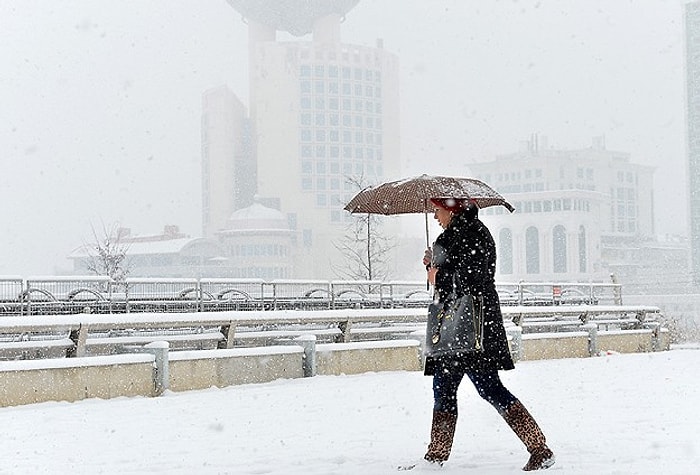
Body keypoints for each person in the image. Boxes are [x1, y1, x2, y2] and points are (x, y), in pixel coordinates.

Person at [409, 197, 555, 471]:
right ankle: (435, 457)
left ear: (451, 210)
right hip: (453, 329)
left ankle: (539, 447)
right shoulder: (450, 237)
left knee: (488, 388)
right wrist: (432, 265)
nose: (435, 217)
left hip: (474, 328)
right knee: (444, 389)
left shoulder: (475, 234)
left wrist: (438, 275)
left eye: (438, 210)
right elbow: (450, 279)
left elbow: (473, 279)